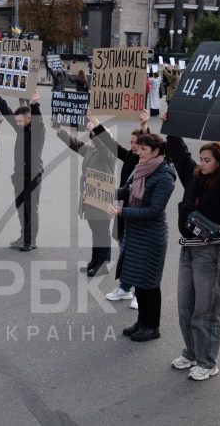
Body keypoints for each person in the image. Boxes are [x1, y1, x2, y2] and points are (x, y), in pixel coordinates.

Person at [166, 117, 220, 381]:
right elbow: (180, 156)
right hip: (188, 250)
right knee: (185, 307)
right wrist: (174, 128)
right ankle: (191, 353)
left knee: (206, 309)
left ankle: (208, 361)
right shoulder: (195, 178)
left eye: (207, 159)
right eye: (201, 159)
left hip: (209, 252)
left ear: (218, 162)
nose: (201, 163)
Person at [108, 134, 176, 343]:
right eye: (138, 148)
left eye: (143, 149)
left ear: (156, 152)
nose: (138, 152)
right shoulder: (142, 169)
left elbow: (154, 210)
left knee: (150, 283)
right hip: (136, 233)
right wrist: (101, 192)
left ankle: (152, 326)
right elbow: (127, 193)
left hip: (151, 236)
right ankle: (142, 322)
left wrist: (122, 212)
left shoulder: (165, 176)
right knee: (139, 280)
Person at [94, 110, 150, 308]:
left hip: (137, 214)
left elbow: (147, 142)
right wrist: (95, 122)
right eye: (132, 142)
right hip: (124, 212)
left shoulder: (144, 161)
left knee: (137, 255)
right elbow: (110, 143)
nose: (134, 146)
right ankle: (125, 288)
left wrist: (144, 126)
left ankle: (138, 293)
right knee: (124, 252)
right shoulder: (129, 157)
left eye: (138, 142)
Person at [57, 113, 117, 277]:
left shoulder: (109, 154)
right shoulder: (92, 150)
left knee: (102, 230)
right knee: (95, 230)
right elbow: (76, 144)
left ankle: (103, 264)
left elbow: (105, 148)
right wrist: (61, 131)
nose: (91, 139)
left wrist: (95, 131)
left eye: (95, 136)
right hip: (90, 196)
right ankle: (96, 260)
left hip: (102, 197)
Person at [0, 87, 46, 251]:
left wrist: (36, 105)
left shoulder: (37, 131)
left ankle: (31, 241)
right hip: (19, 175)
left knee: (31, 209)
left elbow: (39, 122)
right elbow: (9, 115)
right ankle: (23, 237)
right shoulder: (21, 127)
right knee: (21, 208)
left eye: (20, 121)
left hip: (33, 175)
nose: (17, 124)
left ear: (28, 118)